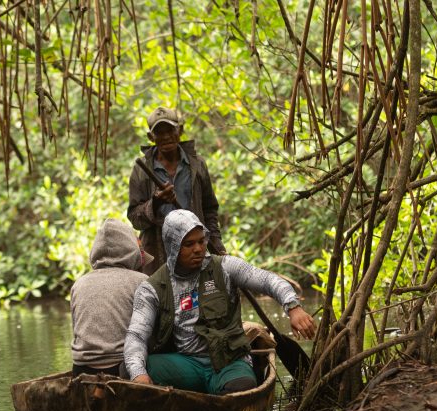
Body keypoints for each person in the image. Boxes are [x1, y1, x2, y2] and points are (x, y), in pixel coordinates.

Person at [124, 209, 316, 394]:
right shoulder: (152, 288)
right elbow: (136, 336)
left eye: (201, 241)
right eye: (189, 244)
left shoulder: (225, 267)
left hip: (228, 363)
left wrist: (293, 307)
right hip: (187, 364)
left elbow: (267, 280)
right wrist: (139, 374)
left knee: (242, 386)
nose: (198, 249)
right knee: (129, 369)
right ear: (173, 247)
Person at [127, 106, 223, 274]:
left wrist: (216, 243)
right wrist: (155, 203)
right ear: (151, 137)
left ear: (180, 131)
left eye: (170, 130)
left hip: (195, 254)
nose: (166, 136)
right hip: (158, 260)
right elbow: (135, 219)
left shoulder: (197, 165)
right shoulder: (141, 170)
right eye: (159, 132)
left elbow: (209, 210)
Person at [69, 218, 151, 377]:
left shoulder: (78, 284)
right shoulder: (141, 281)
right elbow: (151, 335)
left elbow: (77, 333)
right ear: (132, 251)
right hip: (122, 367)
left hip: (81, 369)